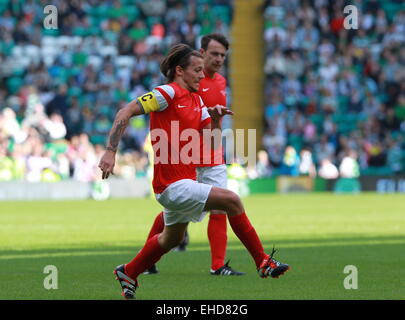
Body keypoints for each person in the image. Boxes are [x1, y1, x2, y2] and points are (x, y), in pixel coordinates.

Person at [98, 44, 290, 300]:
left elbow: (209, 142)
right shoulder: (166, 93)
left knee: (171, 239)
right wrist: (111, 151)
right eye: (197, 70)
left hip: (184, 181)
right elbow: (126, 111)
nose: (202, 75)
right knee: (231, 200)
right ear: (179, 71)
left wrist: (216, 118)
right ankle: (263, 262)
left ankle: (129, 271)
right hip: (171, 185)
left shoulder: (196, 99)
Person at [144, 33, 245, 276]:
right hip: (188, 159)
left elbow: (208, 122)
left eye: (223, 55)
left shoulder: (220, 82)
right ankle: (147, 259)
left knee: (219, 208)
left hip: (212, 154)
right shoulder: (184, 86)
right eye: (214, 54)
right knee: (175, 214)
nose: (219, 59)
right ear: (201, 53)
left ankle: (218, 265)